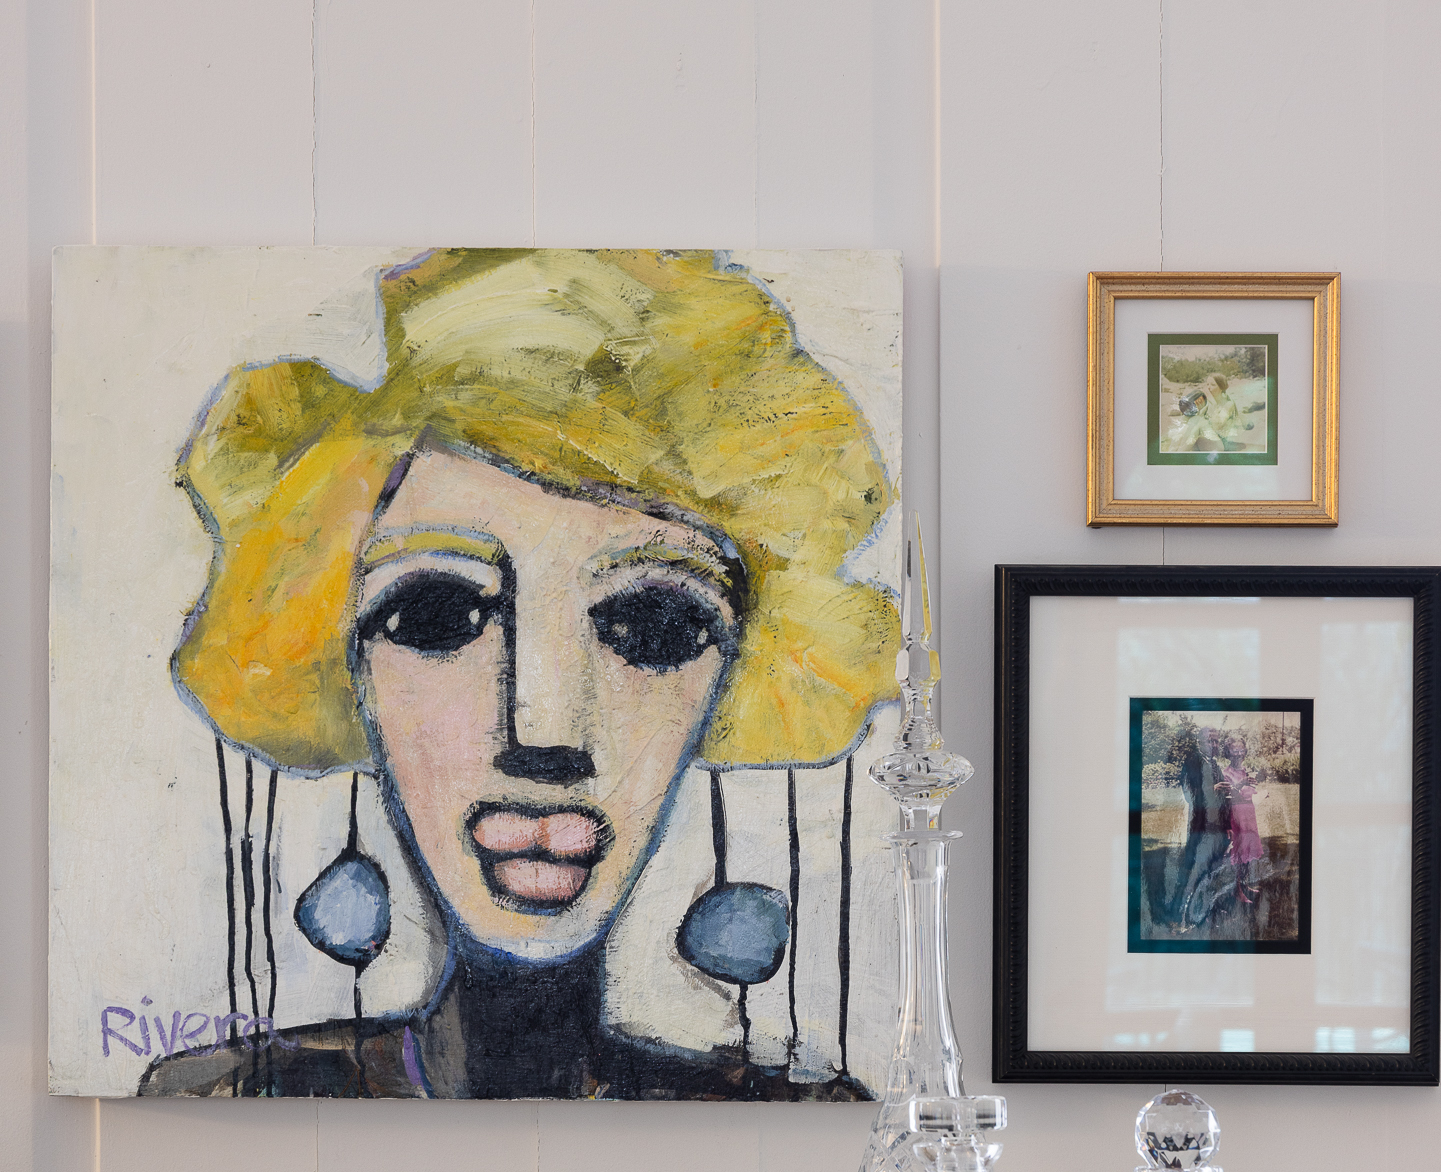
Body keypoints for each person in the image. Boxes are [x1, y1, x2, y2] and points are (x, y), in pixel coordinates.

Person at [138, 250, 899, 1100]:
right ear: (342, 664)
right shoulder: (219, 1100)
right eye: (435, 615)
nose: (544, 735)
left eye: (654, 627)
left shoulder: (798, 1113)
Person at [1163, 727, 1229, 933]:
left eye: (1216, 741)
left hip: (1218, 829)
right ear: (1200, 742)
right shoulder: (1192, 761)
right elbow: (1188, 793)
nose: (1214, 745)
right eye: (1210, 740)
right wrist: (1213, 789)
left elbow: (1223, 799)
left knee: (1210, 872)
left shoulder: (1215, 764)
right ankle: (1177, 918)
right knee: (1192, 874)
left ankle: (1201, 912)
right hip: (1201, 829)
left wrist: (1227, 824)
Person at [1218, 732, 1270, 909]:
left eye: (1241, 750)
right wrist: (1242, 784)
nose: (1239, 754)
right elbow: (1228, 796)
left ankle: (1244, 884)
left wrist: (1258, 791)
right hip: (1236, 815)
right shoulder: (1225, 773)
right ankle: (1236, 889)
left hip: (1248, 814)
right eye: (1235, 750)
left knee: (1247, 851)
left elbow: (1247, 793)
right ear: (1228, 752)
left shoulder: (1245, 770)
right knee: (1238, 853)